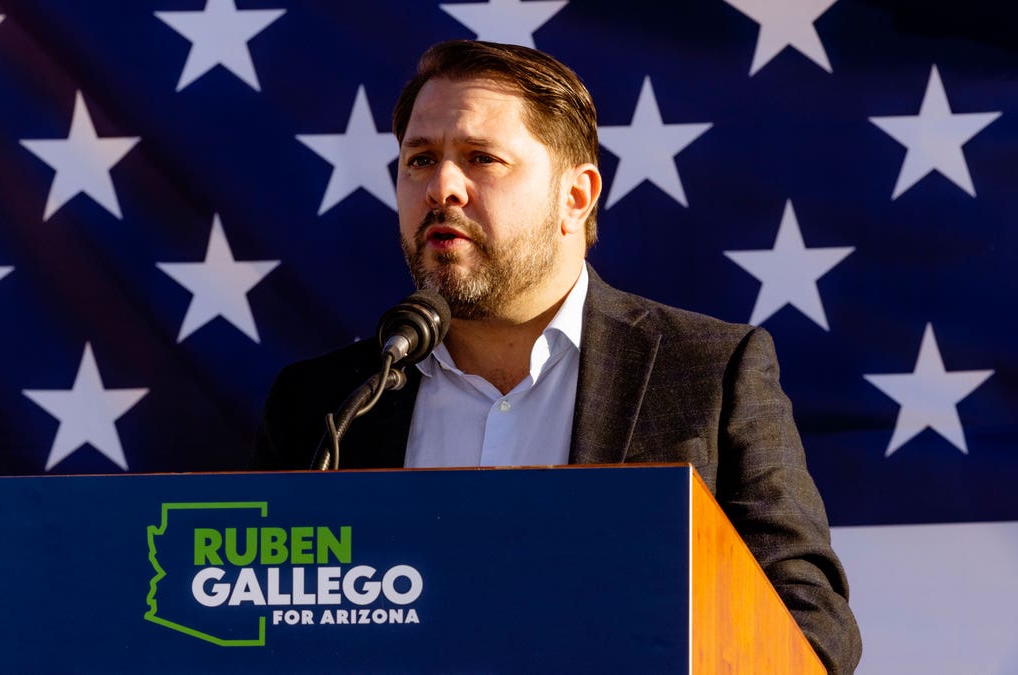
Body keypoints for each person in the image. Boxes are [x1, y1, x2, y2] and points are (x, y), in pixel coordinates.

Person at [255, 39, 861, 673]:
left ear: (577, 196)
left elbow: (808, 627)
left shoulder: (708, 372)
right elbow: (256, 622)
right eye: (420, 160)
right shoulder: (325, 405)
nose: (442, 189)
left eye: (481, 158)